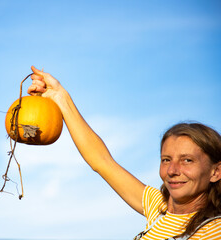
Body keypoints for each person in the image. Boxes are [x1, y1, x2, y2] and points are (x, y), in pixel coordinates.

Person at [27, 66, 221, 239]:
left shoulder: (214, 230)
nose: (172, 170)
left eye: (187, 160)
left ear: (216, 172)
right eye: (166, 159)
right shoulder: (159, 207)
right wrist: (59, 97)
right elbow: (101, 161)